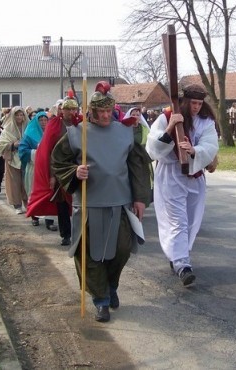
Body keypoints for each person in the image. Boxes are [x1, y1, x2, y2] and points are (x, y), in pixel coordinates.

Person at [51, 81, 151, 322]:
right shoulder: (77, 134)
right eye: (101, 112)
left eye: (109, 111)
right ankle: (101, 300)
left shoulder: (125, 132)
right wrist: (75, 172)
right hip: (88, 204)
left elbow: (137, 167)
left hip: (119, 202)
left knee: (121, 250)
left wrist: (140, 198)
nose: (106, 116)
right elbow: (58, 162)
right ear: (92, 112)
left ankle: (111, 286)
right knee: (89, 254)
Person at [146, 84, 219, 287]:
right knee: (177, 220)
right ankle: (183, 264)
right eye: (193, 103)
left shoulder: (206, 122)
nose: (196, 107)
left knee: (192, 220)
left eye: (199, 103)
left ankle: (177, 254)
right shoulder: (166, 117)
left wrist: (194, 150)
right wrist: (170, 129)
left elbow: (211, 145)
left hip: (194, 175)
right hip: (171, 175)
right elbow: (152, 147)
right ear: (185, 101)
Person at [27, 96, 82, 246]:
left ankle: (81, 233)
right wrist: (52, 175)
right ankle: (66, 234)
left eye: (73, 109)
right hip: (60, 169)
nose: (71, 112)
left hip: (79, 167)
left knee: (81, 202)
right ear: (62, 110)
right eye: (68, 109)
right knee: (62, 203)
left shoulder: (82, 123)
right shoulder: (55, 124)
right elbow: (49, 150)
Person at [19, 110, 57, 228]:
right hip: (34, 168)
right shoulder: (29, 134)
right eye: (40, 120)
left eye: (45, 120)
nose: (43, 122)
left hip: (48, 169)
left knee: (49, 194)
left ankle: (49, 221)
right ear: (36, 121)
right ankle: (34, 216)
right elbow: (23, 151)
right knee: (34, 192)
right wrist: (39, 153)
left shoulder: (52, 134)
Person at [0, 106, 29, 214]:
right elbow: (0, 144)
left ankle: (28, 203)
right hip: (13, 159)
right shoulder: (7, 129)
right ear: (13, 116)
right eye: (17, 115)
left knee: (27, 182)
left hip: (26, 159)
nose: (19, 117)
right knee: (14, 183)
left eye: (21, 115)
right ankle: (17, 205)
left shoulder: (28, 127)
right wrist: (13, 145)